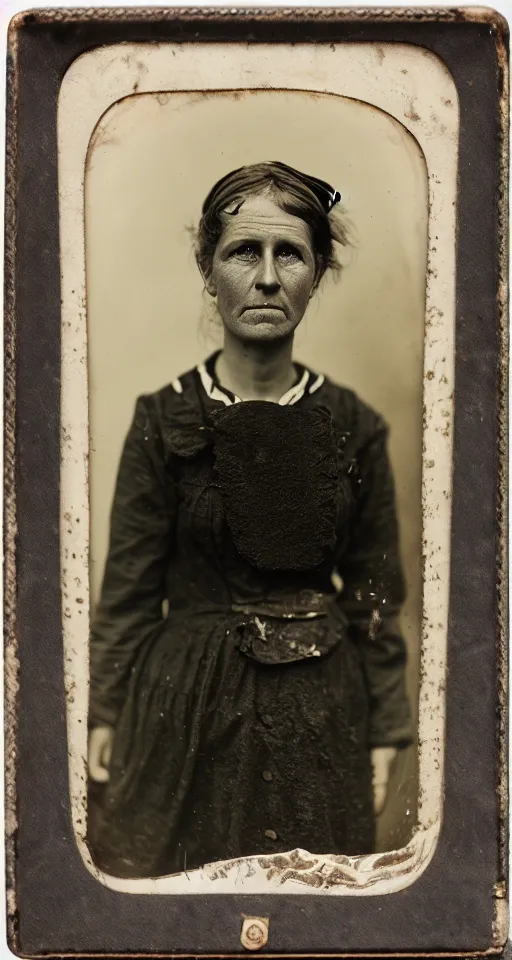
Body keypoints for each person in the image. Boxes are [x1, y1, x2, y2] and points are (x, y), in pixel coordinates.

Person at [87, 161, 413, 879]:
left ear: (317, 272)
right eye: (243, 252)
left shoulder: (352, 428)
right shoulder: (162, 418)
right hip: (182, 716)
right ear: (209, 269)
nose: (266, 278)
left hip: (319, 718)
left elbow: (374, 598)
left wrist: (388, 727)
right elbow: (130, 589)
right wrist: (104, 713)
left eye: (289, 253)